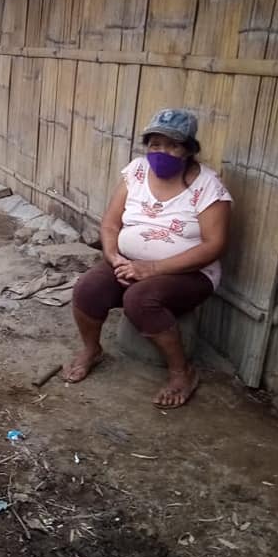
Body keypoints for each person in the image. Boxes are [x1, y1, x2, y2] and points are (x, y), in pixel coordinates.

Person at [62, 108, 232, 408]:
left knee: (140, 299)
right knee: (88, 288)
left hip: (190, 274)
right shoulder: (137, 171)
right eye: (155, 144)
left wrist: (153, 268)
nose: (161, 152)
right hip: (129, 262)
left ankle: (182, 373)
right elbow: (110, 224)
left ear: (189, 149)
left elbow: (214, 246)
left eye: (172, 145)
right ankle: (92, 349)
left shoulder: (208, 187)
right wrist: (113, 256)